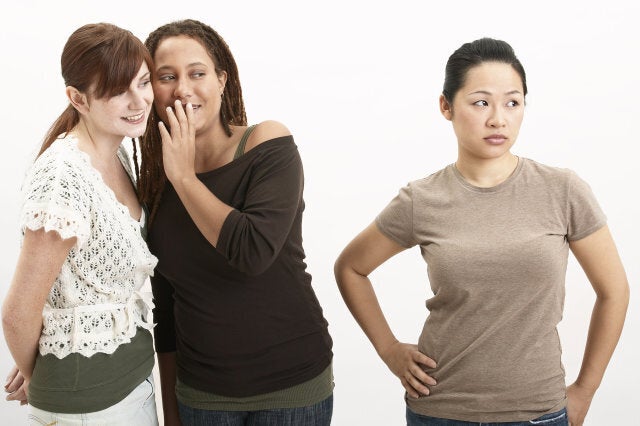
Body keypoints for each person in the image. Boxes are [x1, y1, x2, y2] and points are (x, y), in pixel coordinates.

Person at [333, 38, 629, 426]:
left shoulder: (563, 190)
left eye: (512, 102)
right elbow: (351, 268)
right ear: (446, 106)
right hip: (440, 410)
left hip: (538, 411)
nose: (498, 119)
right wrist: (389, 350)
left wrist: (585, 391)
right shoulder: (421, 199)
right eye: (480, 102)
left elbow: (615, 291)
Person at [137, 19, 334, 426]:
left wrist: (185, 178)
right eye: (166, 77)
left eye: (197, 73)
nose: (183, 89)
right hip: (202, 395)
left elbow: (252, 250)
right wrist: (171, 411)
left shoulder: (266, 144)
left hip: (291, 388)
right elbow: (166, 306)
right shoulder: (156, 182)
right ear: (148, 88)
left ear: (221, 80)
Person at [2, 23, 159, 425]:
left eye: (143, 82)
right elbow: (17, 314)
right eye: (118, 91)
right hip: (88, 407)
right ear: (78, 99)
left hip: (134, 383)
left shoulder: (119, 153)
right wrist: (51, 374)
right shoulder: (62, 178)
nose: (139, 100)